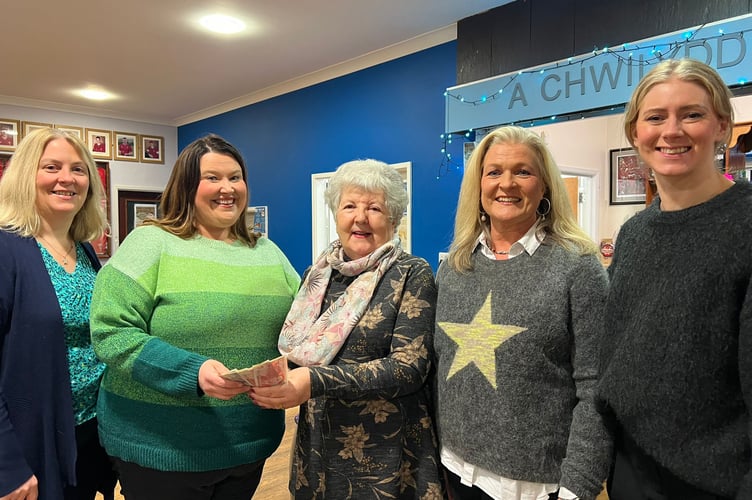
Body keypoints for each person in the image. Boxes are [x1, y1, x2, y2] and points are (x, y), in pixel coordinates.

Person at [89, 134, 300, 500]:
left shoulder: (267, 251)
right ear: (187, 186)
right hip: (162, 448)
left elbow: (303, 324)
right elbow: (111, 332)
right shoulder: (150, 243)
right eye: (213, 178)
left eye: (235, 177)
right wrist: (193, 372)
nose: (227, 188)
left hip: (249, 444)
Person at [596, 59, 750, 499]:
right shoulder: (634, 233)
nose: (672, 130)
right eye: (656, 117)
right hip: (630, 468)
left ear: (722, 125)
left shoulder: (746, 226)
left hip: (715, 482)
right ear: (635, 133)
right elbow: (616, 356)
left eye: (692, 114)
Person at [434, 125, 610, 500]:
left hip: (535, 485)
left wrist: (579, 486)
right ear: (478, 185)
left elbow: (596, 389)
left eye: (523, 172)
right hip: (455, 470)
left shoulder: (577, 268)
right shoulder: (455, 267)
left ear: (544, 185)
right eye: (494, 171)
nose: (507, 184)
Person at [253, 159, 444, 499]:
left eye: (374, 208)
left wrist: (315, 380)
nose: (360, 218)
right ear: (335, 214)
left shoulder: (411, 273)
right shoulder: (318, 275)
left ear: (394, 219)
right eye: (349, 206)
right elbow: (299, 351)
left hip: (385, 455)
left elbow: (409, 368)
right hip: (318, 447)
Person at [0, 128, 116, 500]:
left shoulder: (83, 250)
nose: (67, 179)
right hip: (30, 441)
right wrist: (7, 465)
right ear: (25, 177)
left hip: (86, 433)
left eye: (78, 169)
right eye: (51, 167)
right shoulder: (6, 249)